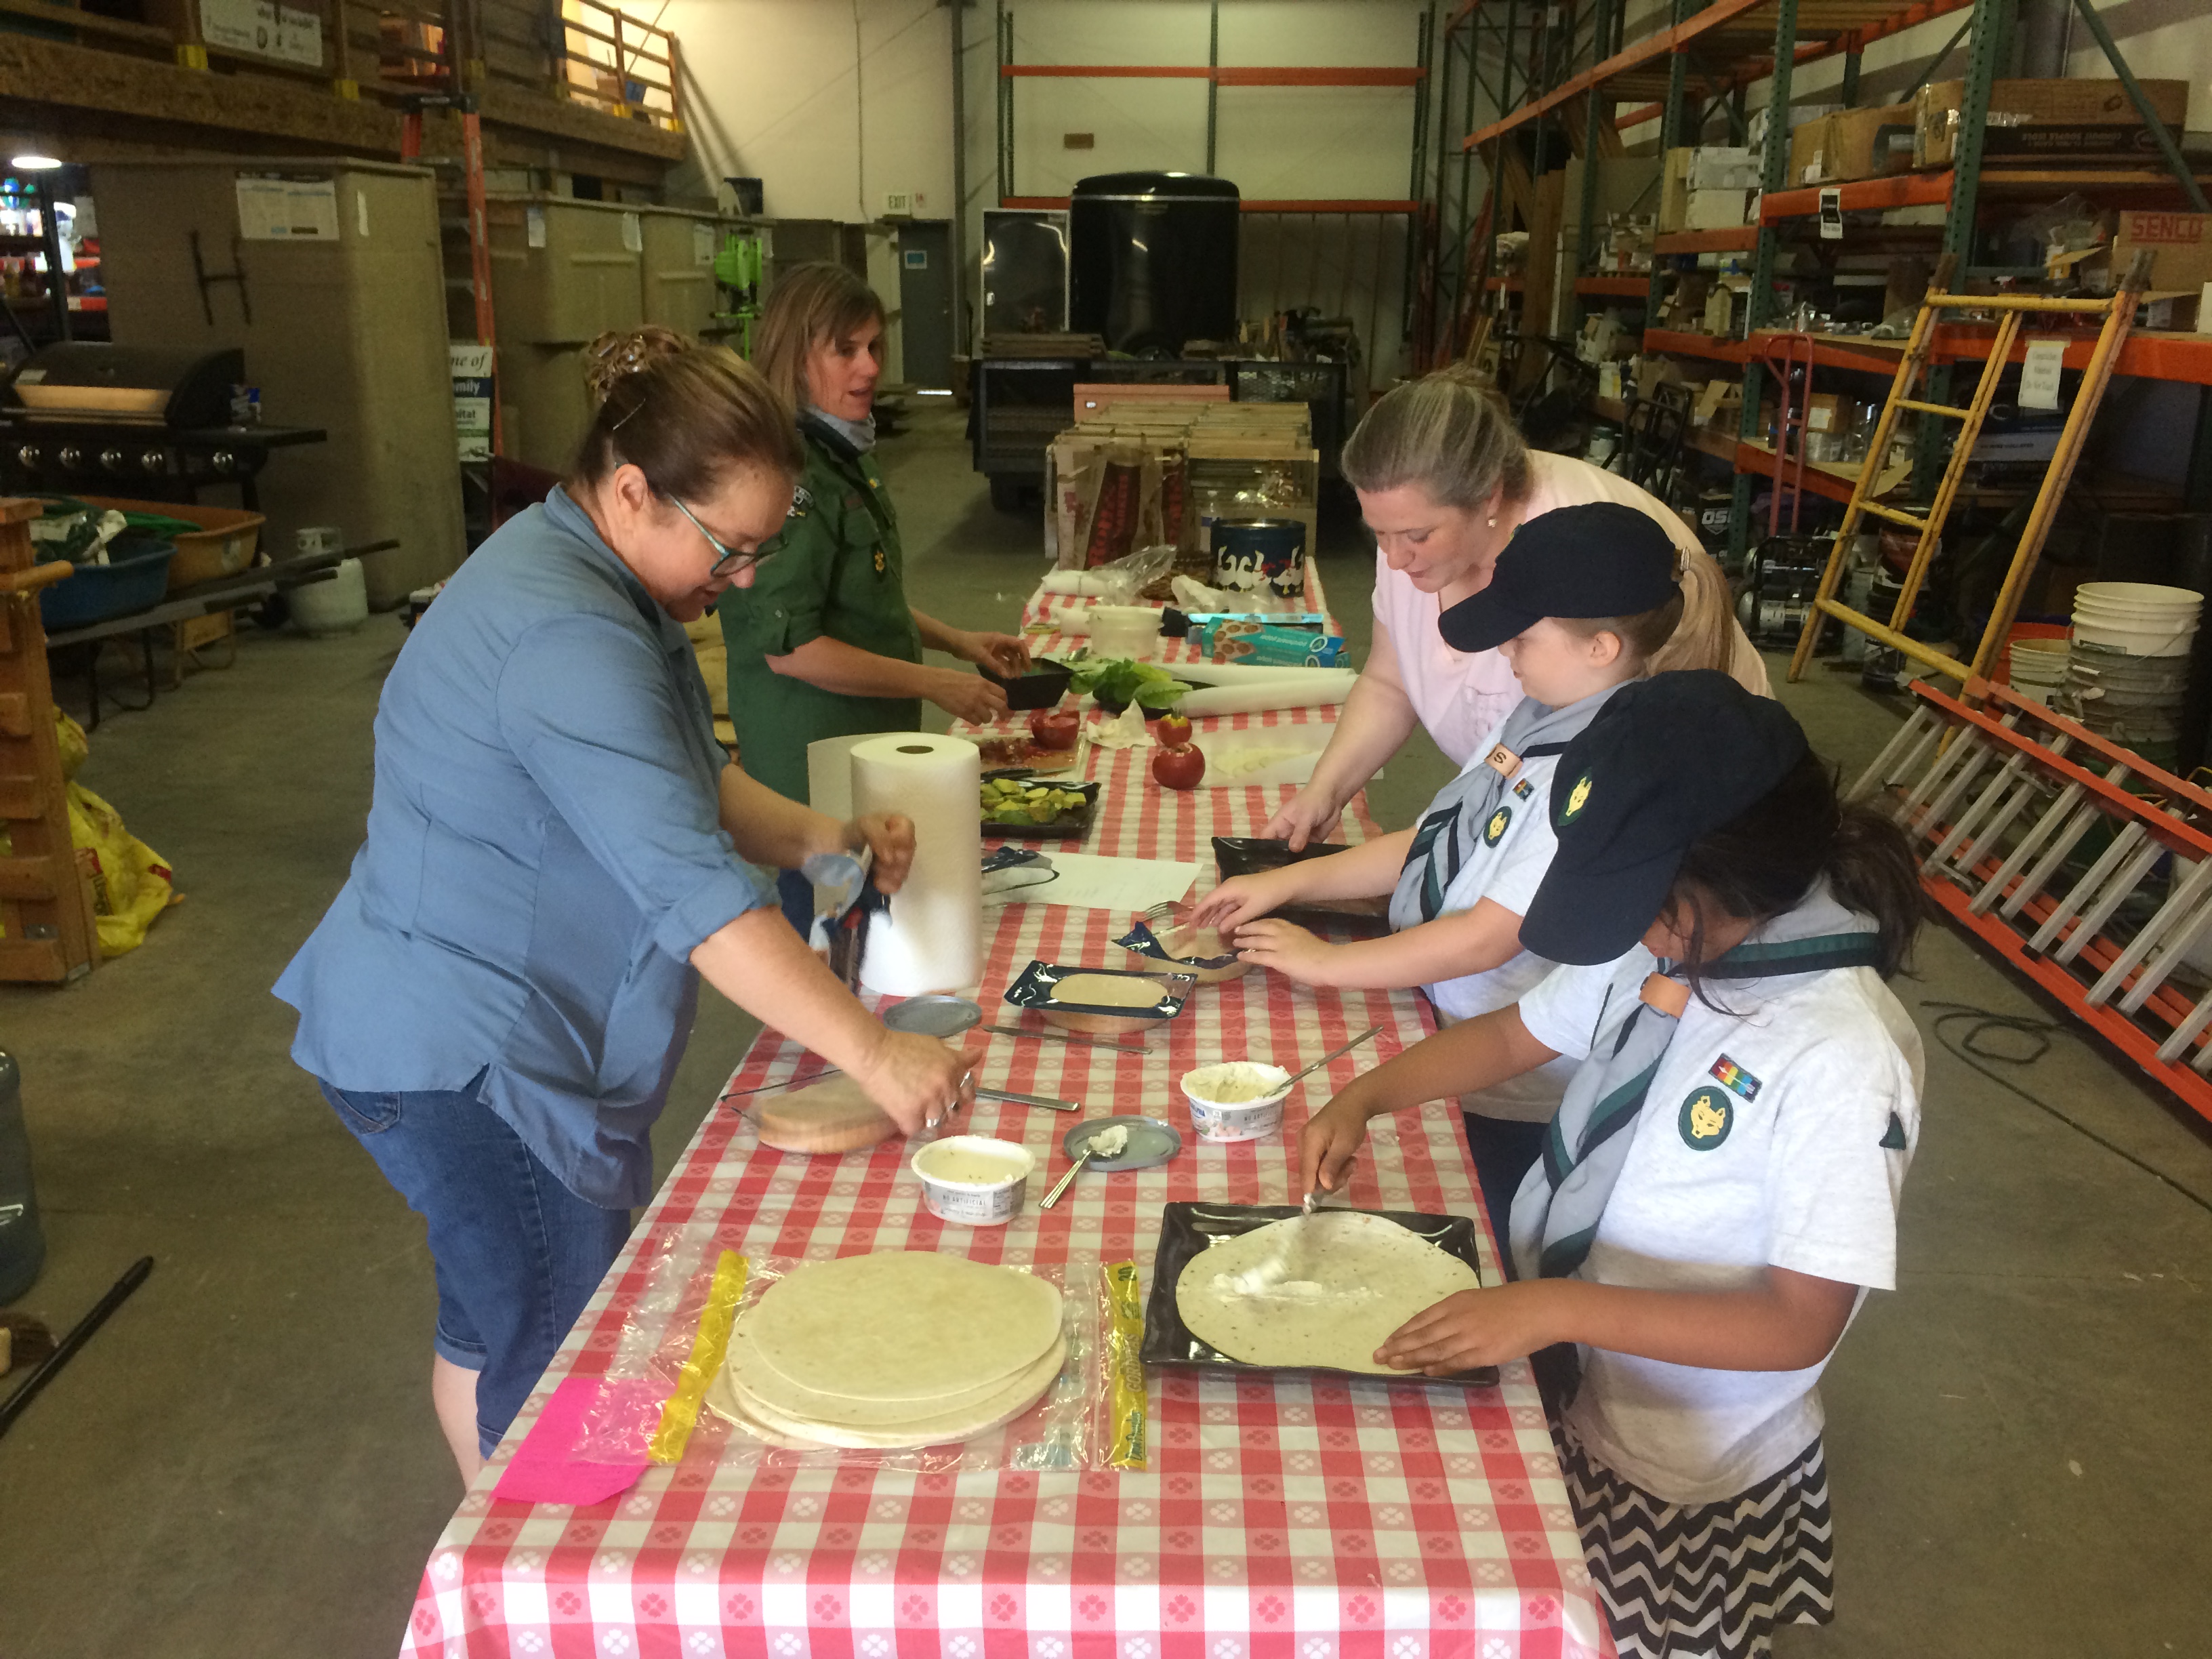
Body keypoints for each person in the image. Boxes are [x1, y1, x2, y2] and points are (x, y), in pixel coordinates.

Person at [275, 328, 976, 1481]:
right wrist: (875, 1053)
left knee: (494, 1318)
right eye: (728, 547)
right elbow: (696, 903)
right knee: (558, 1356)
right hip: (467, 1055)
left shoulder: (592, 573)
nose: (742, 578)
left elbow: (686, 782)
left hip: (431, 1022)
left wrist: (826, 837)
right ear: (632, 488)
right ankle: (545, 1568)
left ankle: (495, 1532)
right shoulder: (566, 632)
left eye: (760, 549)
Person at [1298, 672, 1927, 1659]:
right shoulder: (1670, 938)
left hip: (1687, 1460)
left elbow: (1799, 1323)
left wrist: (1553, 1310)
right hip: (1593, 1388)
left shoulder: (1840, 1056)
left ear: (1730, 881)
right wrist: (1367, 1094)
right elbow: (1516, 1036)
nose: (1629, 931)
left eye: (1645, 907)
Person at [1190, 504, 1734, 1231]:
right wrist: (1289, 880)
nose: (1506, 650)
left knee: (1491, 1222)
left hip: (1517, 1081)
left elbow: (1490, 935)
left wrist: (1326, 963)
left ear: (1602, 647)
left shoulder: (1597, 776)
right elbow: (1435, 837)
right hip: (1444, 1020)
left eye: (1523, 636)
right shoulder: (1540, 715)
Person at [1265, 365, 1769, 851]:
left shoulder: (1577, 551)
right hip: (1530, 806)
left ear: (1489, 497)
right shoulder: (1410, 520)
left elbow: (1596, 792)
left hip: (1648, 817)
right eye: (1379, 534)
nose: (1395, 559)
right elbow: (1389, 681)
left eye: (1418, 536)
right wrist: (1324, 792)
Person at [721, 262, 1030, 805]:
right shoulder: (787, 475)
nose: (868, 368)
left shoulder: (843, 455)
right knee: (830, 891)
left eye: (874, 347)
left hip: (869, 748)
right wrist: (931, 682)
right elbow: (794, 650)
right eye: (845, 351)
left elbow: (859, 599)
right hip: (814, 767)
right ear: (796, 357)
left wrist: (958, 642)